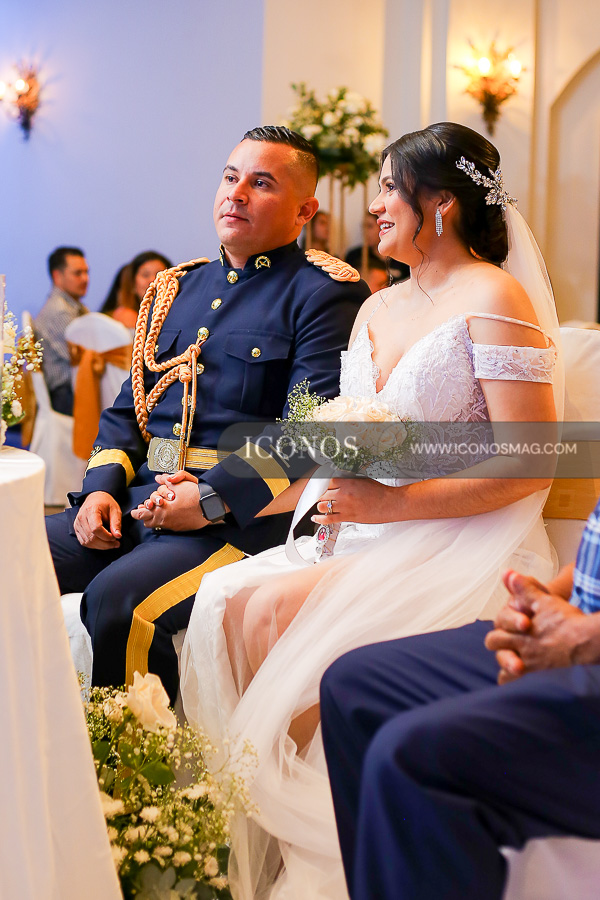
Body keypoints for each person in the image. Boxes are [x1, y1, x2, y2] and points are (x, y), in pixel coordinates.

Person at [179, 121, 564, 900]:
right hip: (361, 528)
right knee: (224, 599)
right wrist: (224, 496)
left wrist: (392, 505)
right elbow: (335, 443)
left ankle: (327, 846)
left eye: (390, 188)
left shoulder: (495, 296)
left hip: (460, 538)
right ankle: (272, 840)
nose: (375, 205)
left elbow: (532, 462)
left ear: (441, 204)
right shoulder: (377, 306)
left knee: (264, 611)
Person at [46, 125, 369, 705]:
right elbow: (129, 411)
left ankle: (130, 761)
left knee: (119, 603)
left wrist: (211, 499)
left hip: (236, 521)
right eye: (230, 177)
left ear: (304, 211)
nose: (236, 194)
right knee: (16, 552)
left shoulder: (322, 293)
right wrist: (98, 491)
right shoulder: (177, 287)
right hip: (139, 500)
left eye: (261, 183)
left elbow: (307, 433)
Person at [320, 506, 600, 900]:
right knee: (351, 687)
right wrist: (544, 599)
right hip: (583, 624)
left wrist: (582, 640)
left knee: (413, 757)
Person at [34, 246, 89, 414]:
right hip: (65, 395)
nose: (85, 279)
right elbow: (82, 356)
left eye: (86, 272)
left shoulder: (72, 305)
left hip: (70, 390)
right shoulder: (60, 310)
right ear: (57, 276)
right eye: (78, 273)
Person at [100, 251, 173, 329]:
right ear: (133, 284)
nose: (153, 280)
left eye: (160, 275)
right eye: (145, 275)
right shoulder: (126, 316)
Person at [346, 209, 410, 288]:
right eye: (363, 226)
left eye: (369, 226)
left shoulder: (402, 257)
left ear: (383, 227)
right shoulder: (356, 256)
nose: (365, 231)